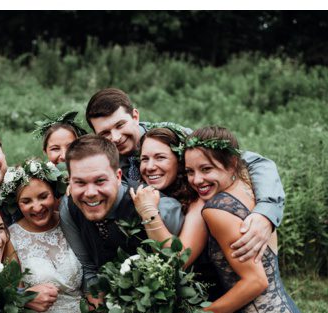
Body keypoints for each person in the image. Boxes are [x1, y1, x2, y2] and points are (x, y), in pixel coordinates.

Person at [172, 126, 324, 313]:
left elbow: (255, 281)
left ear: (231, 164)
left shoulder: (217, 209)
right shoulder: (248, 188)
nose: (197, 180)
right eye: (190, 172)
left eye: (207, 169)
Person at [85, 88, 286, 263]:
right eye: (105, 133)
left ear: (135, 116)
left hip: (200, 238)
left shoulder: (172, 136)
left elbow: (254, 161)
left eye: (120, 125)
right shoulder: (104, 156)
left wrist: (265, 214)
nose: (116, 138)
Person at [131, 126, 225, 313]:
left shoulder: (198, 199)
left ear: (179, 161)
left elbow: (178, 260)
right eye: (144, 159)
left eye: (160, 157)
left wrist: (148, 212)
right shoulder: (155, 193)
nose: (150, 166)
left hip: (201, 305)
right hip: (169, 311)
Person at [59, 136, 183, 305]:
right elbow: (87, 267)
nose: (90, 193)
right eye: (79, 182)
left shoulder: (163, 207)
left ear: (118, 177)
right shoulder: (69, 207)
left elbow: (177, 266)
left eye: (100, 181)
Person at [0, 159, 83, 313]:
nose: (36, 207)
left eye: (43, 196)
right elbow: (19, 309)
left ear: (55, 194)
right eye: (26, 201)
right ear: (16, 203)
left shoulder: (71, 222)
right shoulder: (11, 239)